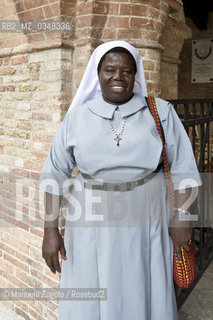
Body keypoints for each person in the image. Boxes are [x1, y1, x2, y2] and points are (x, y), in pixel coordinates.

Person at [39, 40, 201, 320]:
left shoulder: (160, 112)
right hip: (90, 222)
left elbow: (184, 168)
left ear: (135, 74)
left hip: (147, 218)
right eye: (109, 70)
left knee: (143, 284)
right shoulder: (77, 118)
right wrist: (50, 230)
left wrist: (182, 216)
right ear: (97, 74)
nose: (118, 76)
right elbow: (54, 172)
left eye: (126, 71)